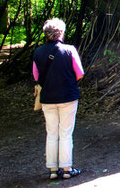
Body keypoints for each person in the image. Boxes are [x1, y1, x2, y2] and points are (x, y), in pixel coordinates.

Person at [32, 18, 84, 180]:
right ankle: (67, 168)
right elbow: (80, 73)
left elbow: (36, 76)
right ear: (61, 32)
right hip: (68, 96)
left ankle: (53, 169)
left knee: (52, 133)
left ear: (46, 34)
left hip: (48, 98)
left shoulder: (38, 52)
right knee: (66, 133)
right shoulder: (69, 50)